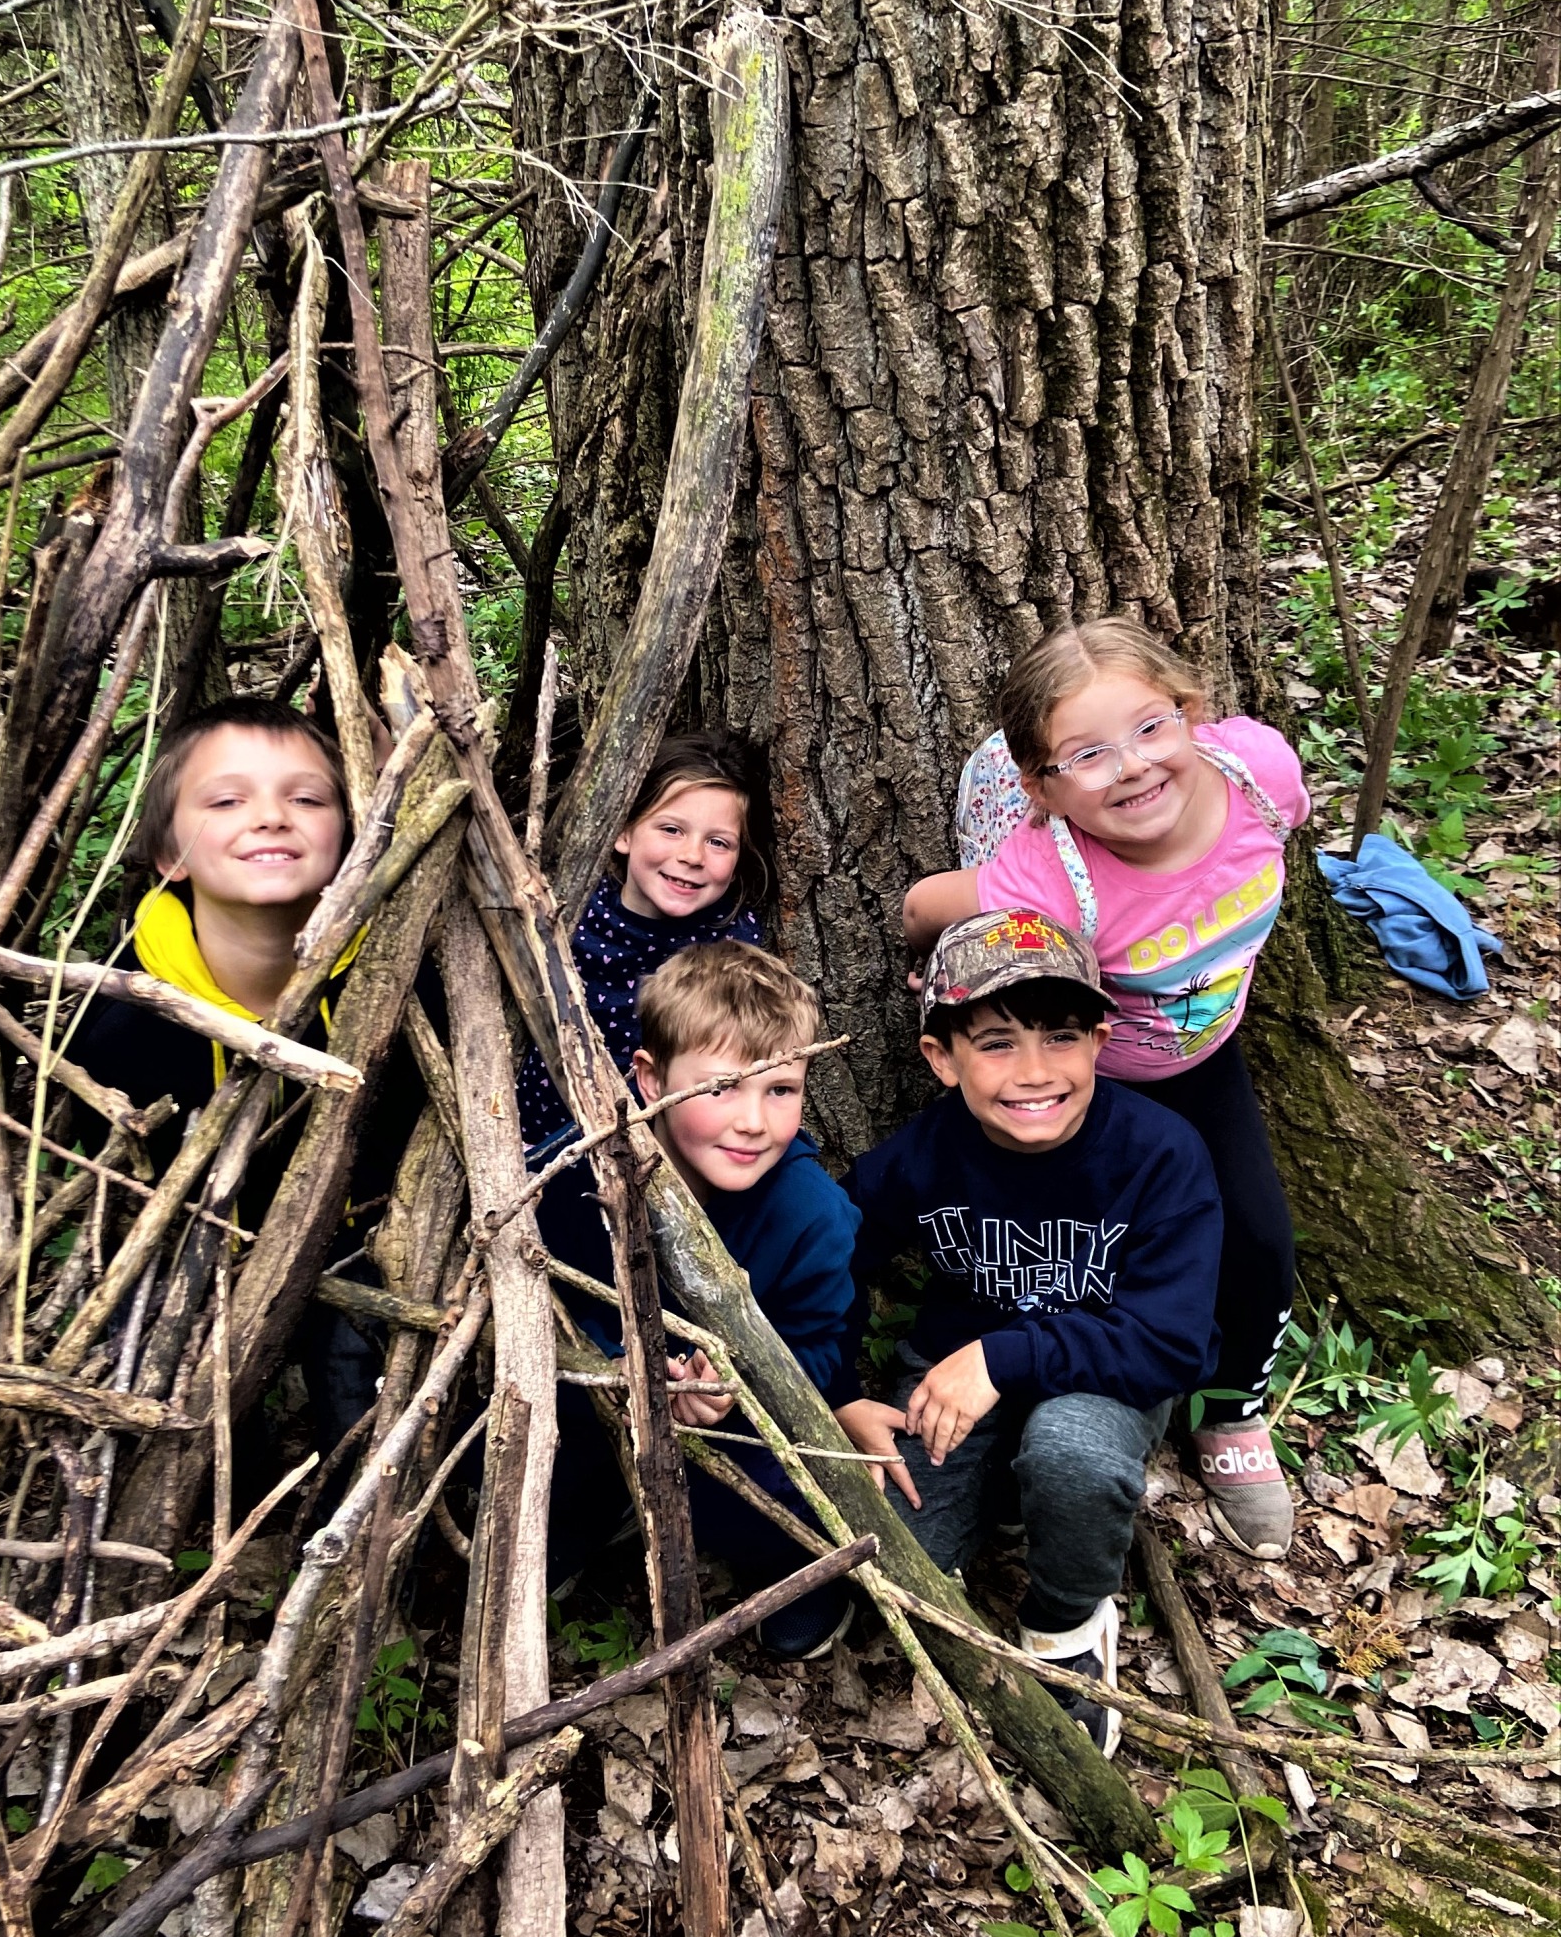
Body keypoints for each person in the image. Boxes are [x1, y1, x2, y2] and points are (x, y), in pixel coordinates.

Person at [900, 620, 1309, 1559]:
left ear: (1192, 714)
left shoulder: (1259, 773)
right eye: (1088, 754)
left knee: (1257, 1239)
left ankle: (1232, 1410)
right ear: (1044, 789)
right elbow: (924, 905)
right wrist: (937, 949)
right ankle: (1038, 1419)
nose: (1132, 767)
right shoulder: (1049, 878)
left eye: (1151, 728)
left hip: (1207, 1056)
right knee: (1076, 1248)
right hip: (1094, 1082)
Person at [833, 910, 1223, 1754]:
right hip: (951, 1374)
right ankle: (1000, 1500)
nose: (1036, 1070)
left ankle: (1067, 1624)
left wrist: (1006, 1356)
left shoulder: (1161, 1154)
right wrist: (839, 1393)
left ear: (1100, 1042)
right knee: (896, 1568)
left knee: (1072, 1455)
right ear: (943, 1058)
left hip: (1099, 1376)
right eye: (998, 1042)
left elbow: (1174, 1341)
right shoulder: (921, 1157)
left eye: (1061, 1036)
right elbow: (830, 1263)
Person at [72, 697, 401, 1483]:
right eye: (226, 800)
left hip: (359, 1252)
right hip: (200, 1268)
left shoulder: (399, 985)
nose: (271, 817)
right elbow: (129, 1213)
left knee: (360, 1376)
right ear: (168, 854)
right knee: (188, 1420)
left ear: (353, 836)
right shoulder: (120, 1029)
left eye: (307, 797)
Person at [537, 941, 861, 1660]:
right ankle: (593, 1509)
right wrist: (622, 1369)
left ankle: (804, 1569)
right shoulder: (579, 1174)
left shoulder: (810, 1211)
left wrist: (734, 1387)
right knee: (544, 1431)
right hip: (599, 1396)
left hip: (735, 1425)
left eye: (781, 1090)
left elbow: (820, 1345)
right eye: (723, 1088)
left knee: (789, 1494)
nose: (754, 1121)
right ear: (650, 1079)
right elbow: (548, 1302)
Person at [517, 731, 770, 1148]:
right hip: (533, 1137)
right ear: (624, 832)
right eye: (671, 829)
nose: (692, 856)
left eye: (718, 842)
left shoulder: (733, 945)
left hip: (659, 1153)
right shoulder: (571, 909)